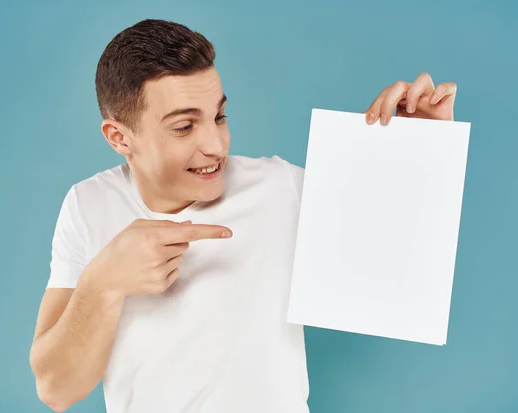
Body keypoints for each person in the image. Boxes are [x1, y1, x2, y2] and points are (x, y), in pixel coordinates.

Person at [29, 18, 457, 413]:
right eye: (184, 127)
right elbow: (56, 390)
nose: (216, 145)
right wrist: (103, 282)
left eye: (219, 116)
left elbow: (406, 257)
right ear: (119, 137)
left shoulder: (279, 187)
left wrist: (425, 145)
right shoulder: (87, 205)